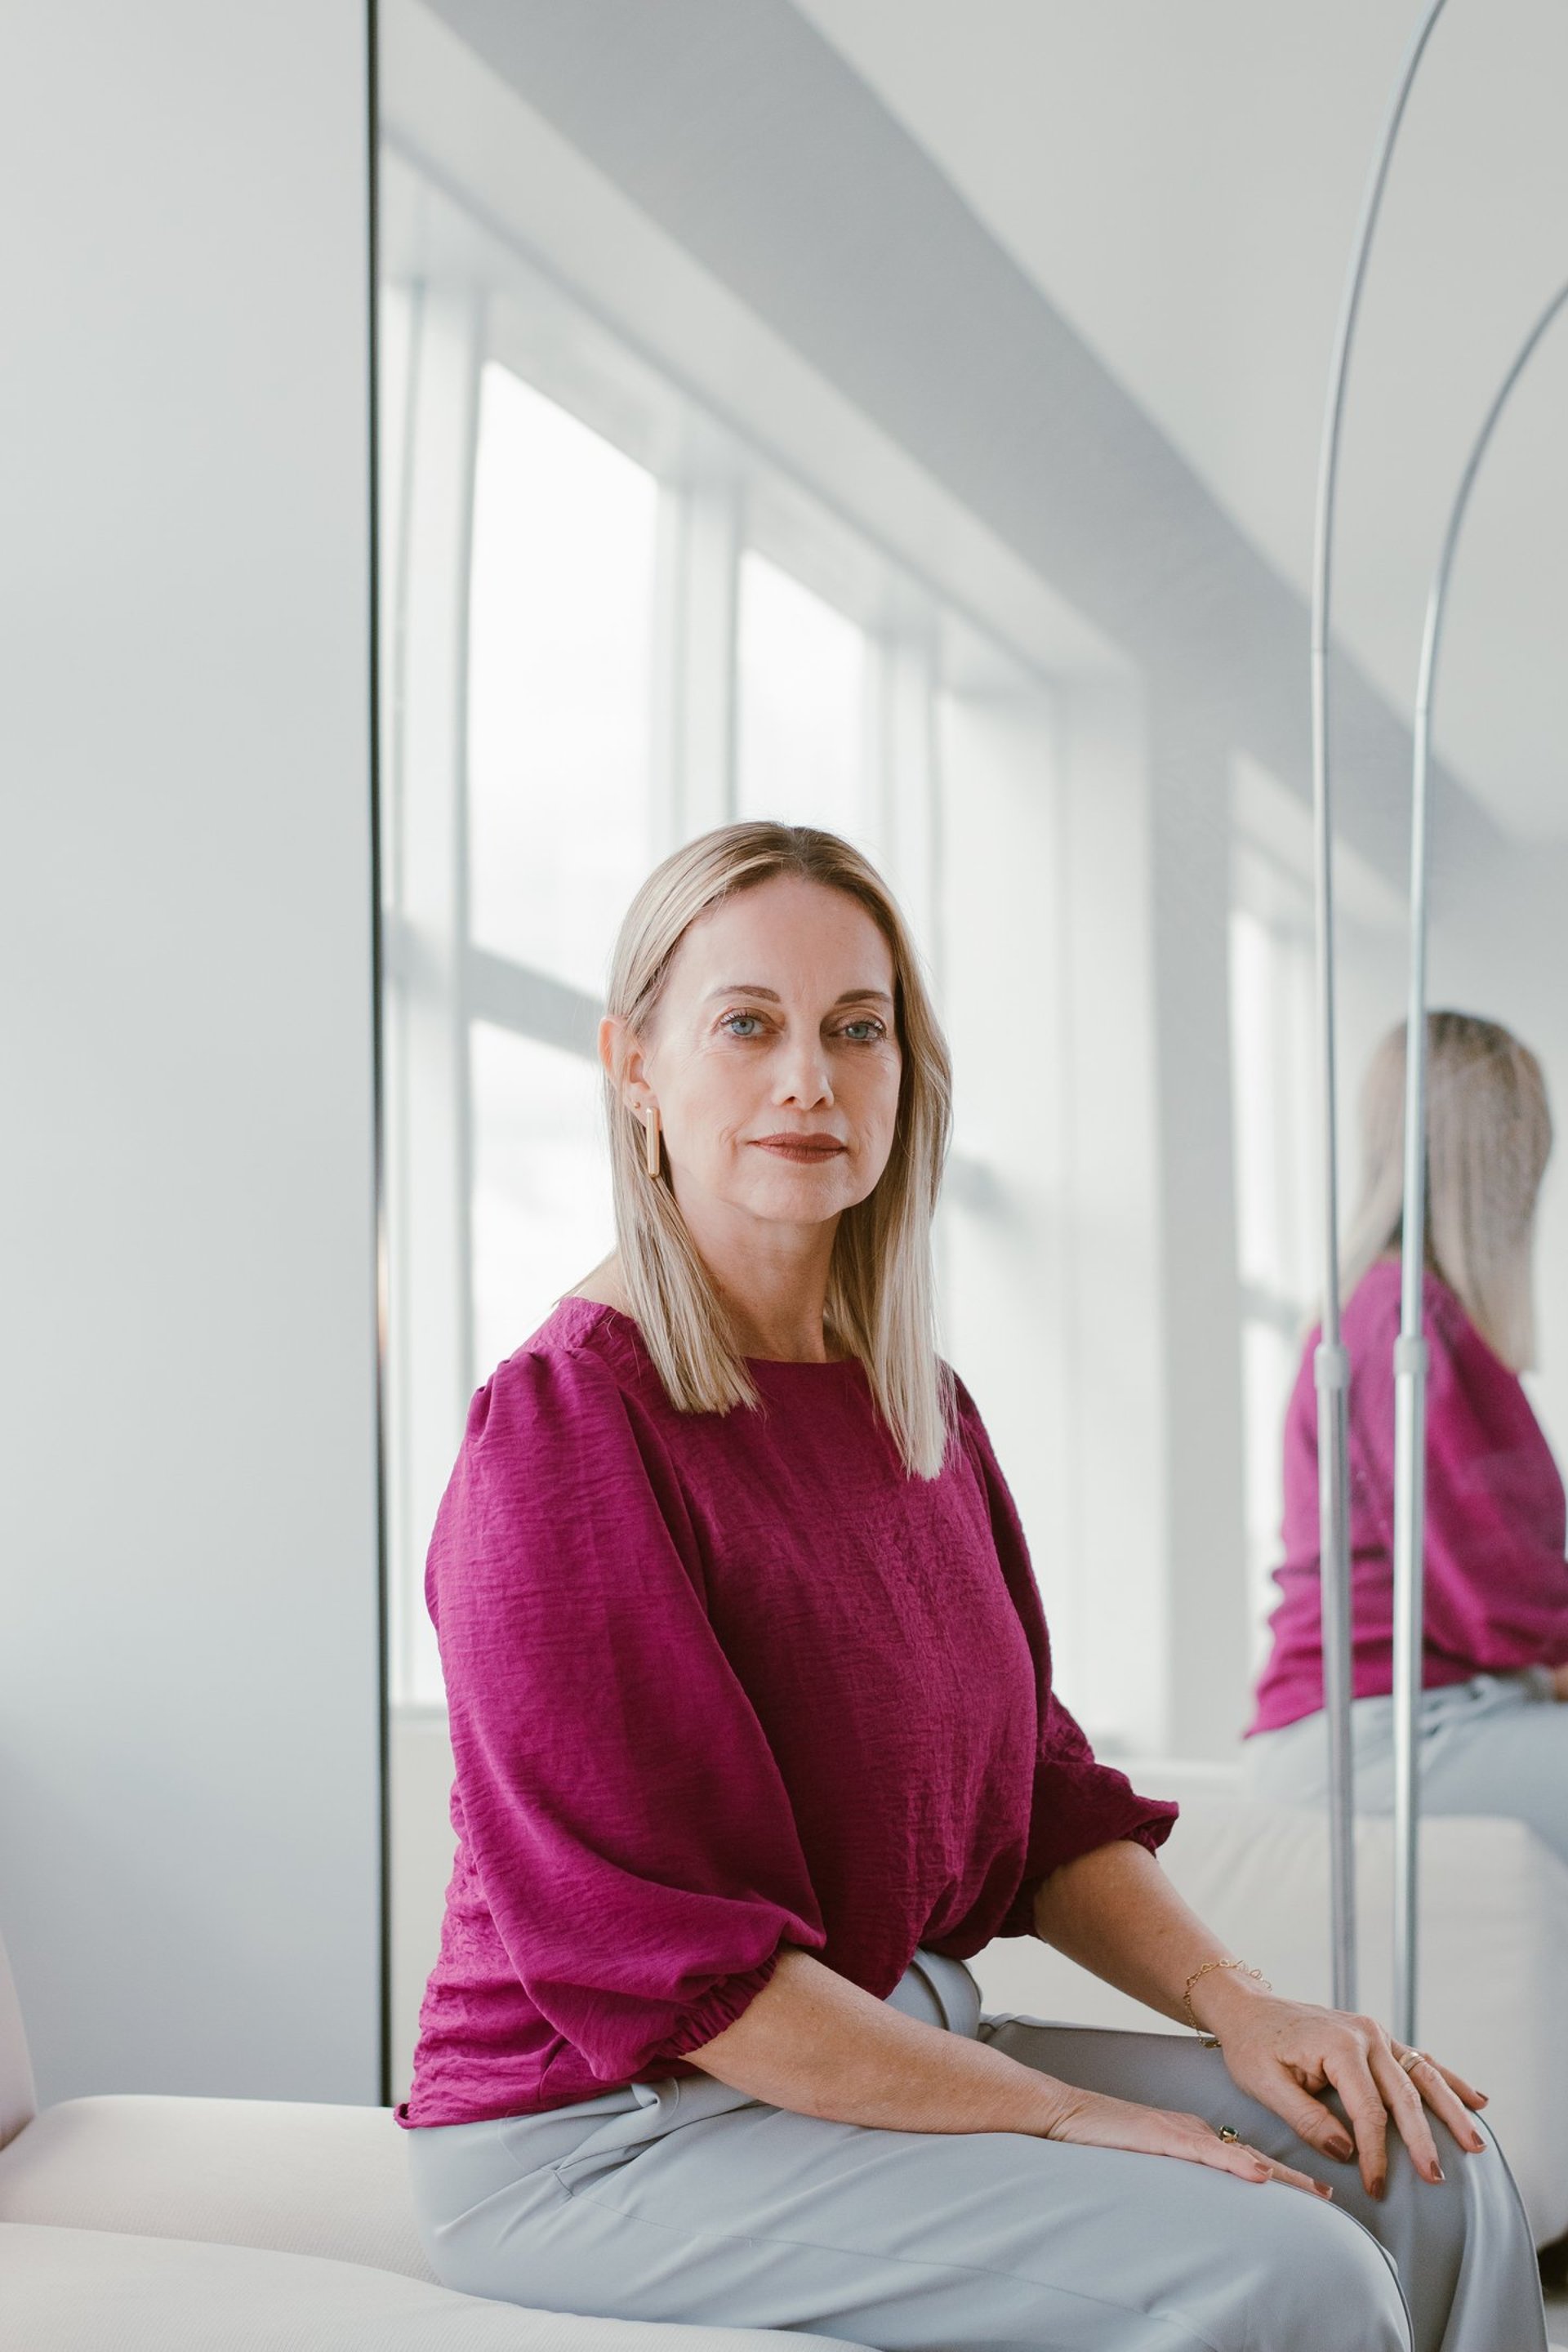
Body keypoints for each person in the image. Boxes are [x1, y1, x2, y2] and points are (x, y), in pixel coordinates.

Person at [401, 832, 1544, 2352]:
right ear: (633, 1067)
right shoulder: (564, 1430)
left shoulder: (911, 1405)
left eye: (854, 1028)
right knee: (1294, 2271)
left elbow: (1044, 1797)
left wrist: (1241, 2005)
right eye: (747, 1024)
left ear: (903, 1070)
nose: (807, 1077)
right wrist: (1062, 2115)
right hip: (615, 2129)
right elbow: (689, 1982)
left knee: (1430, 2169)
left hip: (879, 2042)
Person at [1246, 1012, 1568, 1871]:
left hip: (1399, 1717)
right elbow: (1495, 1598)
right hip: (1379, 1729)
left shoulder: (1393, 1310)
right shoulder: (1408, 1322)